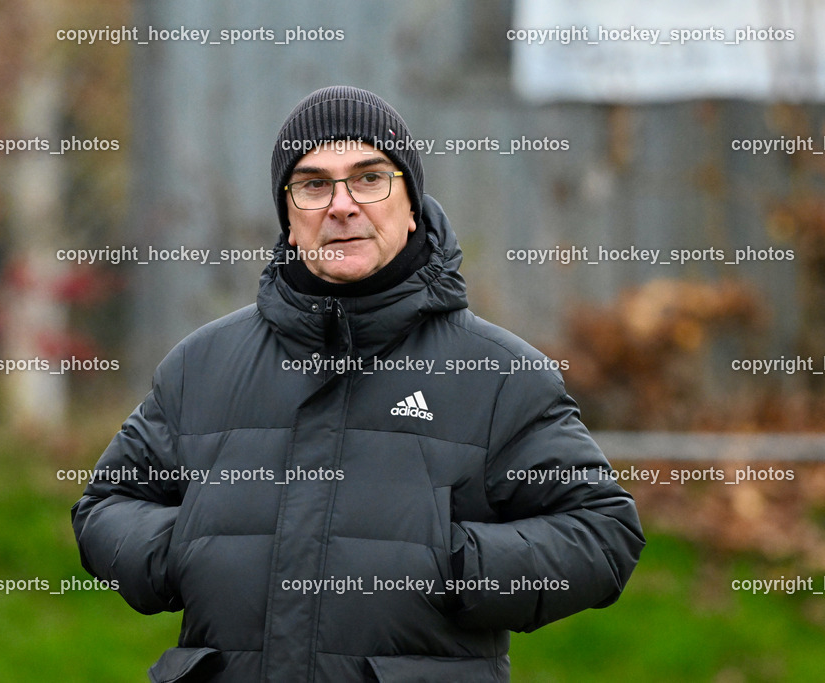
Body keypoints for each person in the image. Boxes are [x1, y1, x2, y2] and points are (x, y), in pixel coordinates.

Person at [72, 85, 645, 682]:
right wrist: (185, 548)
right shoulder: (202, 365)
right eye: (314, 184)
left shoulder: (497, 375)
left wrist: (448, 564)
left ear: (412, 203)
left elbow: (601, 534)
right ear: (289, 218)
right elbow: (106, 506)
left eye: (370, 178)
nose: (341, 205)